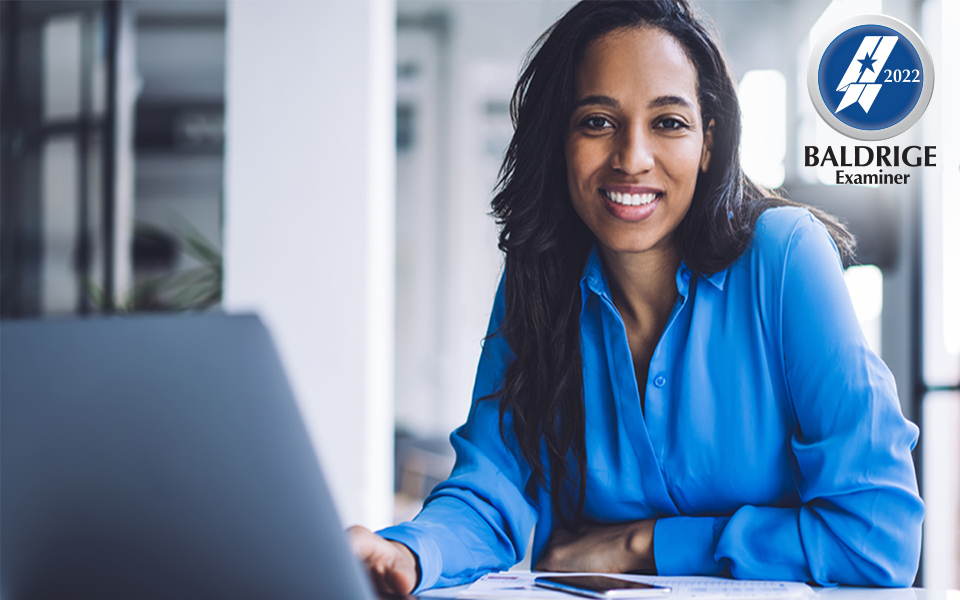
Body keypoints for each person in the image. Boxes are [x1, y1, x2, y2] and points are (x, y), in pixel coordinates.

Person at [348, 0, 924, 594]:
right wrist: (406, 553)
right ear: (560, 140)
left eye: (669, 122)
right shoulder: (539, 278)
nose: (631, 158)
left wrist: (644, 544)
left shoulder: (785, 259)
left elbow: (879, 540)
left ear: (709, 140)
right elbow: (490, 495)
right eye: (598, 121)